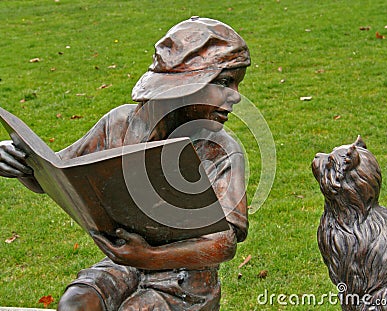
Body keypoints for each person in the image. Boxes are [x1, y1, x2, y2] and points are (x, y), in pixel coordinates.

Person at [0, 17, 250, 311]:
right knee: (75, 304)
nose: (235, 95)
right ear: (186, 83)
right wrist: (20, 160)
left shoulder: (221, 151)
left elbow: (224, 244)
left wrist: (147, 258)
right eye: (222, 82)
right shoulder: (119, 124)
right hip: (120, 262)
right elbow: (59, 172)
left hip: (186, 278)